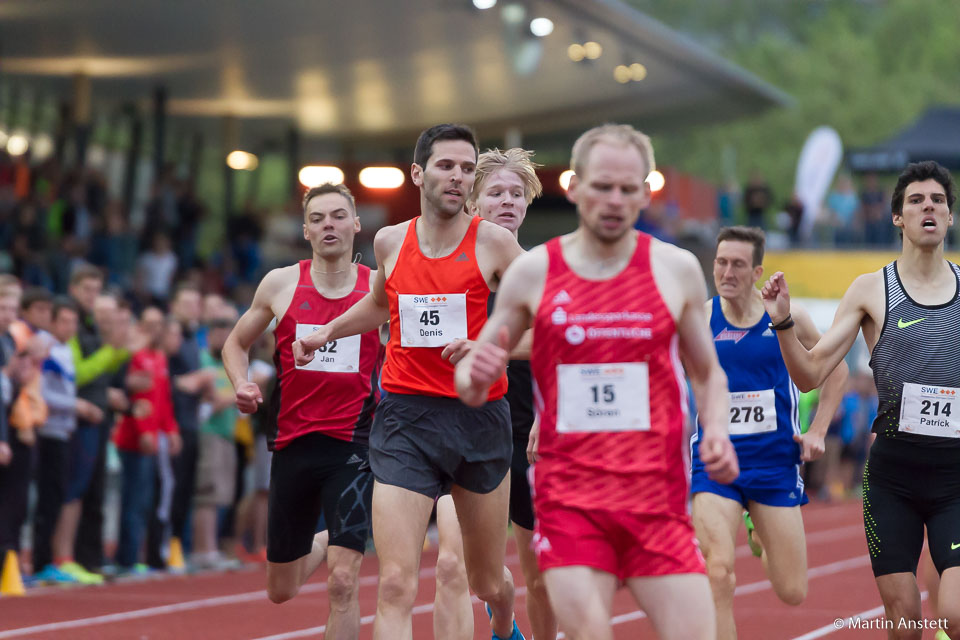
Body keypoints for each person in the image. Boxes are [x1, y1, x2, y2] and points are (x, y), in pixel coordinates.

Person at [456, 124, 740, 640]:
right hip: (571, 503)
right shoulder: (534, 272)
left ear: (647, 191)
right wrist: (474, 374)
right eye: (602, 186)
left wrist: (716, 429)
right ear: (574, 186)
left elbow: (707, 373)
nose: (614, 200)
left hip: (657, 502)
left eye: (628, 189)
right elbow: (476, 372)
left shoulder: (675, 269)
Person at [293, 124, 525, 640]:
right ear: (419, 173)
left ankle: (504, 622)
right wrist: (327, 331)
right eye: (447, 166)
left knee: (485, 580)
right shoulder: (390, 241)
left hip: (478, 420)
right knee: (396, 582)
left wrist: (491, 346)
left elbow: (548, 316)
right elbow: (380, 302)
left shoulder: (495, 243)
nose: (458, 177)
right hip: (404, 419)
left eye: (467, 168)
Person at [760, 161, 960, 640]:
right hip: (894, 476)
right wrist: (785, 324)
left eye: (937, 200)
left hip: (957, 473)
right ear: (898, 218)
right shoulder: (871, 289)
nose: (927, 207)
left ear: (950, 217)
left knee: (953, 616)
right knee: (906, 623)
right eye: (916, 200)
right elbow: (810, 374)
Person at [223, 182, 383, 639]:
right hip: (292, 445)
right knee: (281, 588)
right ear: (306, 231)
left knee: (343, 581)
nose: (328, 225)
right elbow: (236, 342)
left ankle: (342, 545)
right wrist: (242, 383)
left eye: (337, 216)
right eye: (317, 219)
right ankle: (328, 538)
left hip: (353, 447)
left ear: (356, 224)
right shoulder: (281, 283)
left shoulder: (378, 289)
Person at [690, 225, 848, 639]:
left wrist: (816, 430)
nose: (727, 272)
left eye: (738, 264)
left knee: (792, 591)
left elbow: (838, 370)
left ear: (757, 271)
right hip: (714, 463)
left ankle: (758, 531)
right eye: (720, 262)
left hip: (775, 462)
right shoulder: (699, 318)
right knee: (718, 572)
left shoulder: (787, 318)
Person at [433, 147, 556, 640]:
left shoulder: (539, 269)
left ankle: (507, 631)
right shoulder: (447, 262)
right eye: (496, 193)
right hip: (449, 423)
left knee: (537, 573)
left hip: (525, 426)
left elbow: (561, 342)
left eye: (517, 193)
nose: (508, 201)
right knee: (449, 565)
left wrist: (494, 351)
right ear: (473, 201)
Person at [111, 307, 181, 573]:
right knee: (134, 497)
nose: (154, 330)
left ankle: (134, 555)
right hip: (135, 438)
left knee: (146, 498)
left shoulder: (159, 357)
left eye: (158, 324)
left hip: (153, 437)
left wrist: (170, 429)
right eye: (148, 324)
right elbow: (137, 399)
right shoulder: (136, 356)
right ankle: (126, 559)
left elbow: (163, 400)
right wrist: (145, 432)